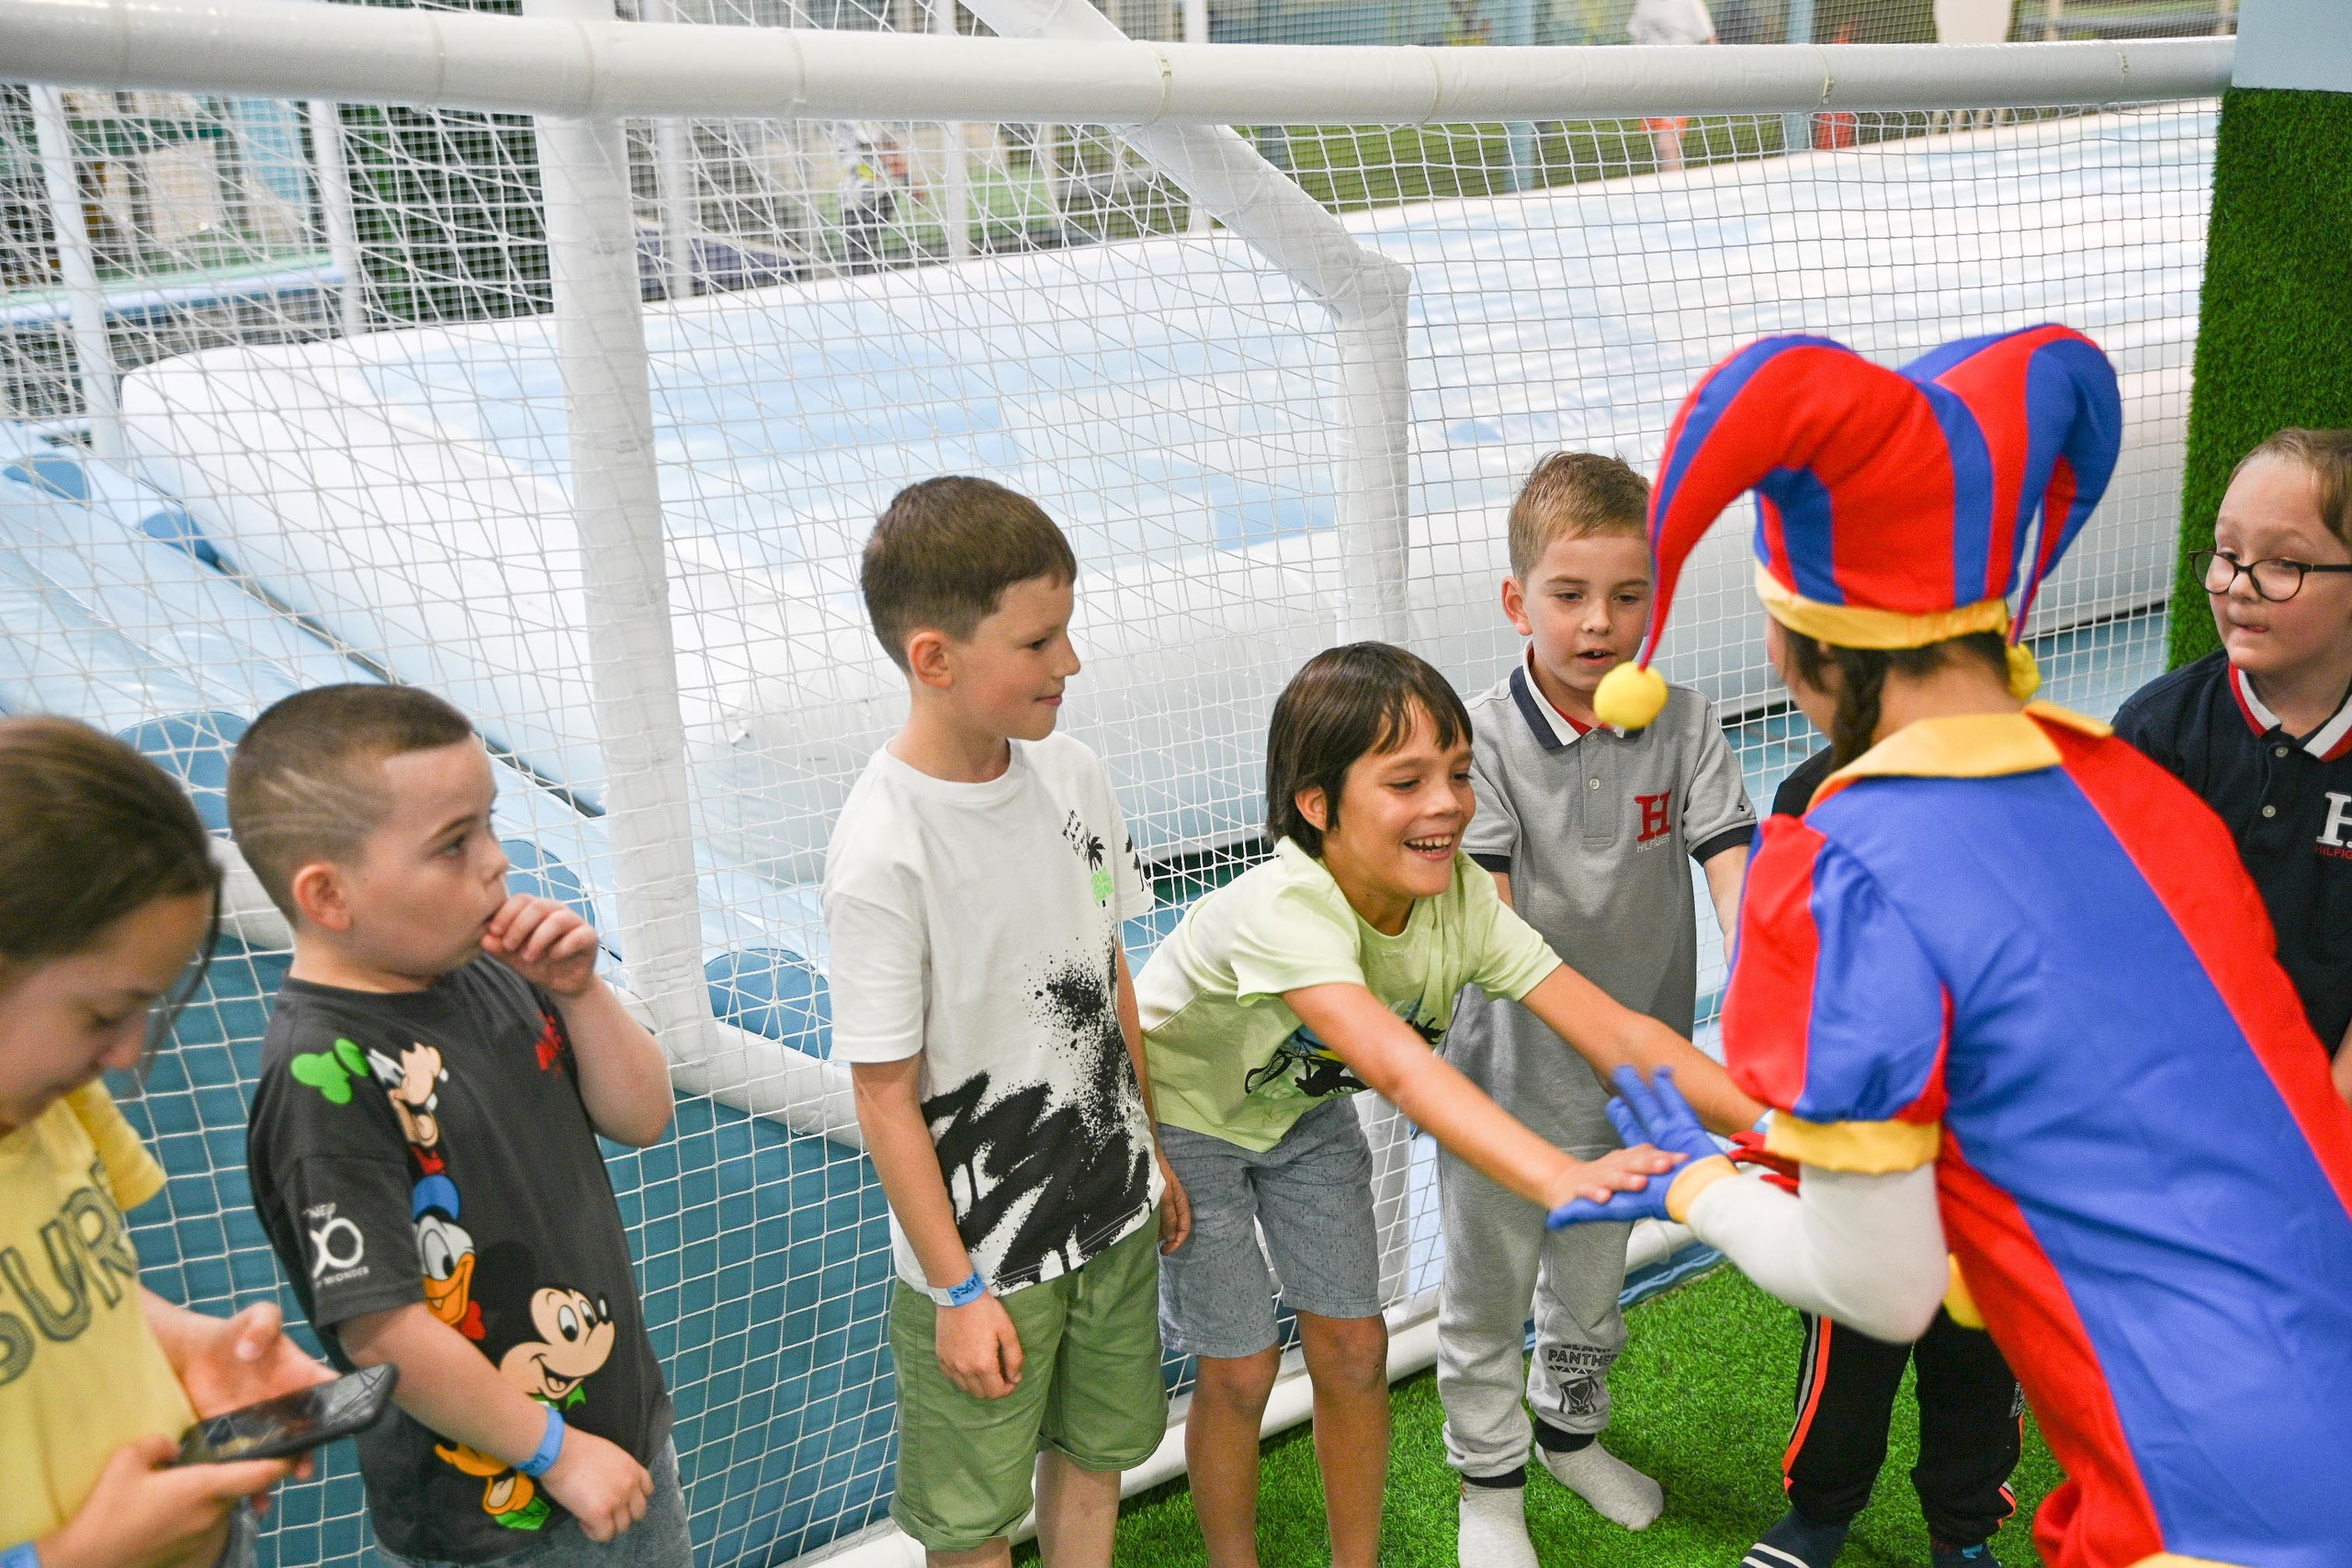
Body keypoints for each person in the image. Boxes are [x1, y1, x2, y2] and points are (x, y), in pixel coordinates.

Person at [1553, 323, 2352, 1568]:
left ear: (1801, 644)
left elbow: (1879, 1286)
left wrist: (1701, 1185)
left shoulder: (1838, 865)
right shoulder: (2138, 790)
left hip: (2210, 1496)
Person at [1139, 641, 1767, 1568]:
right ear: (1316, 804)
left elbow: (1619, 1034)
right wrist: (1557, 1175)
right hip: (1183, 1121)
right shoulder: (1286, 907)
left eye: (1459, 772)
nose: (1447, 803)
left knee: (1356, 1354)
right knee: (1239, 1370)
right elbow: (1404, 1073)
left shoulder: (1459, 897)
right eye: (1406, 781)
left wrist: (1779, 1126)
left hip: (1300, 1114)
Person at [822, 477, 1190, 1568]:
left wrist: (1154, 1151)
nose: (1068, 662)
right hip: (985, 1257)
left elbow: (1109, 970)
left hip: (1114, 1210)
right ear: (935, 658)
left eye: (1066, 630)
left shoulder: (1074, 773)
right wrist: (956, 1290)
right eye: (1037, 642)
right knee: (972, 1520)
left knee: (1095, 1457)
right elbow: (882, 1097)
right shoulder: (883, 852)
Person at [231, 685, 684, 1568]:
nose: (497, 862)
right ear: (328, 894)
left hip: (620, 1437)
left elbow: (644, 1115)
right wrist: (557, 1452)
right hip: (496, 1515)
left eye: (490, 824)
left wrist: (579, 990)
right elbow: (382, 1329)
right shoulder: (322, 1074)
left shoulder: (493, 968)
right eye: (454, 843)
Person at [1441, 453, 1756, 1565]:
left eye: (1628, 597)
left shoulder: (1687, 722)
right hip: (1501, 1088)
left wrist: (1764, 983)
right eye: (1569, 595)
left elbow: (1733, 872)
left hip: (1635, 1093)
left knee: (1588, 1291)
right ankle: (1488, 1490)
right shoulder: (1473, 739)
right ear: (1516, 600)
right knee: (1484, 1301)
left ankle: (1571, 1439)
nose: (1599, 624)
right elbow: (1490, 930)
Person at [0, 716, 334, 1568]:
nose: (126, 1054)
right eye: (104, 1015)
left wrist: (191, 1349)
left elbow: (65, 1293)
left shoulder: (53, 1103)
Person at [1733, 746, 2025, 1568]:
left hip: (1994, 1145)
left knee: (1981, 1348)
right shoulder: (1814, 791)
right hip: (1864, 1140)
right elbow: (1786, 961)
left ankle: (1964, 1532)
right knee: (1849, 1346)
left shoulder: (2027, 782)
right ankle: (1820, 1514)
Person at [2113, 429, 2352, 1110]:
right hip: (2176, 1089)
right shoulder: (2157, 733)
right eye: (2227, 553)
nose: (2237, 587)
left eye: (2283, 563)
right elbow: (2117, 944)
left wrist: (2328, 1122)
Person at [1626, 0, 1716, 172]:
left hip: (1680, 82)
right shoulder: (1645, 3)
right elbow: (1638, 41)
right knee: (1665, 145)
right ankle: (1675, 182)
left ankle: (1675, 185)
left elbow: (1710, 39)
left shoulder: (1691, 3)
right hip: (1653, 84)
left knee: (1666, 143)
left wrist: (1714, 76)